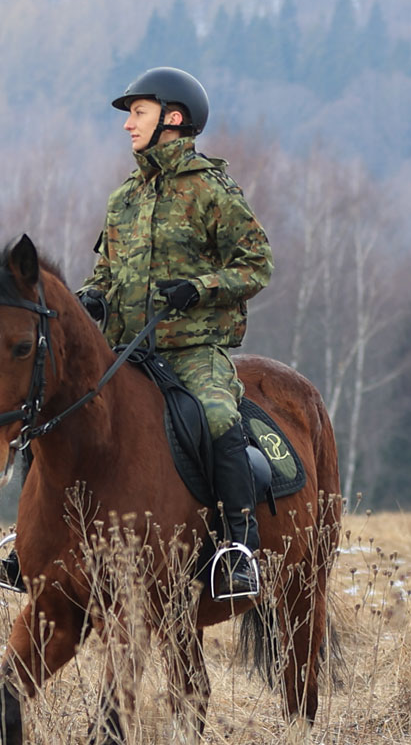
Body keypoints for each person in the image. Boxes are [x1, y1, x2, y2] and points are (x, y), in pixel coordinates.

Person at [78, 66, 276, 600]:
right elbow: (106, 271)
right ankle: (34, 547)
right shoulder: (123, 198)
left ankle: (238, 549)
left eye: (137, 113)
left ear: (173, 118)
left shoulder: (211, 190)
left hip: (192, 351)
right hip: (126, 351)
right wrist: (91, 296)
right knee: (61, 406)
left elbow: (257, 265)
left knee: (216, 416)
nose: (128, 125)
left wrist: (200, 287)